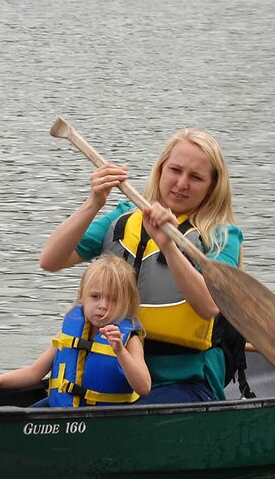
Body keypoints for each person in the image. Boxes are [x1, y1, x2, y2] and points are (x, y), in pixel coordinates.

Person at [39, 128, 243, 404]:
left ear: (212, 186)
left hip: (183, 379)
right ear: (160, 170)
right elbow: (50, 260)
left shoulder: (221, 235)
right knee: (49, 409)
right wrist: (94, 202)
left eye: (196, 177)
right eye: (175, 170)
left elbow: (209, 306)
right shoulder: (124, 216)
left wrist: (169, 245)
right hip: (112, 372)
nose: (181, 183)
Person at [0, 255, 151, 407]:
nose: (102, 306)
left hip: (103, 418)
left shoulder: (128, 340)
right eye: (95, 297)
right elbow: (34, 373)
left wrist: (119, 350)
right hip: (64, 413)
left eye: (113, 299)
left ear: (127, 302)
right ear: (81, 296)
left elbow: (143, 387)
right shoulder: (68, 333)